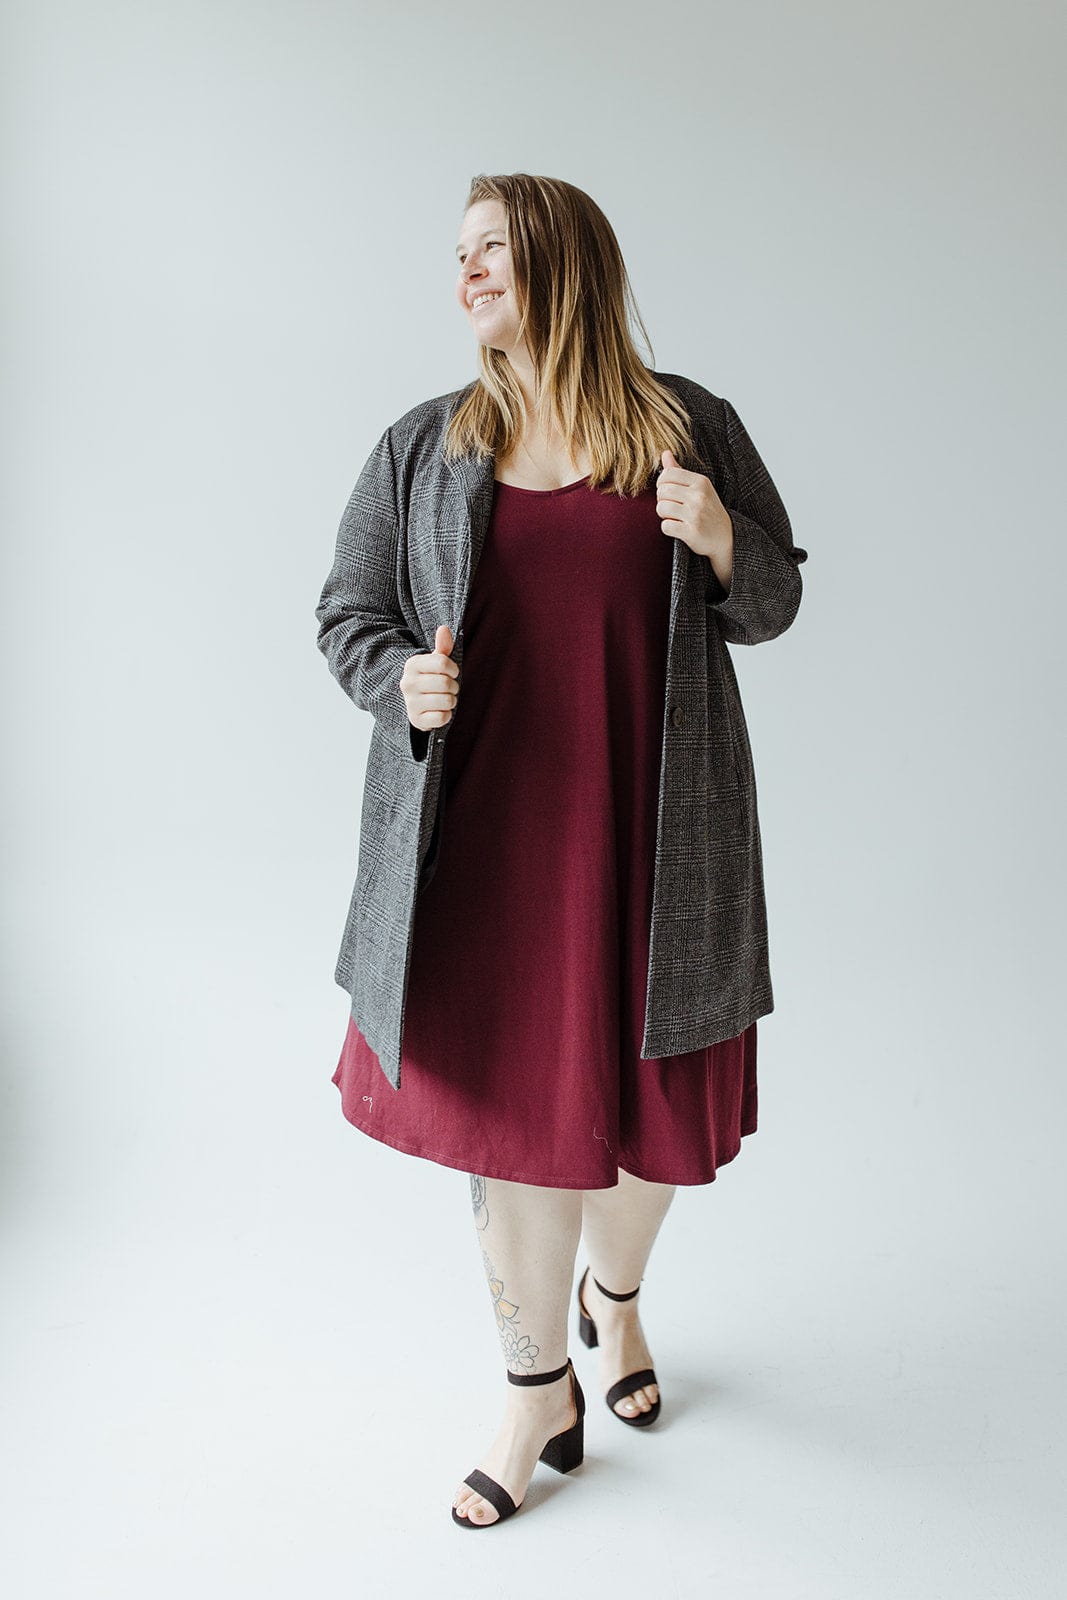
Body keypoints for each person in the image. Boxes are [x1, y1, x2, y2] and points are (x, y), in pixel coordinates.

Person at [314, 172, 807, 1529]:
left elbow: (775, 596)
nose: (468, 274)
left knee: (653, 1134)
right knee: (524, 1135)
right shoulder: (424, 448)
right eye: (458, 255)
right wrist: (401, 676)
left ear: (563, 259)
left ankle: (618, 1300)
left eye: (492, 249)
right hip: (483, 849)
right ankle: (537, 1384)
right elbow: (349, 616)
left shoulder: (685, 424)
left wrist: (719, 543)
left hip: (661, 836)